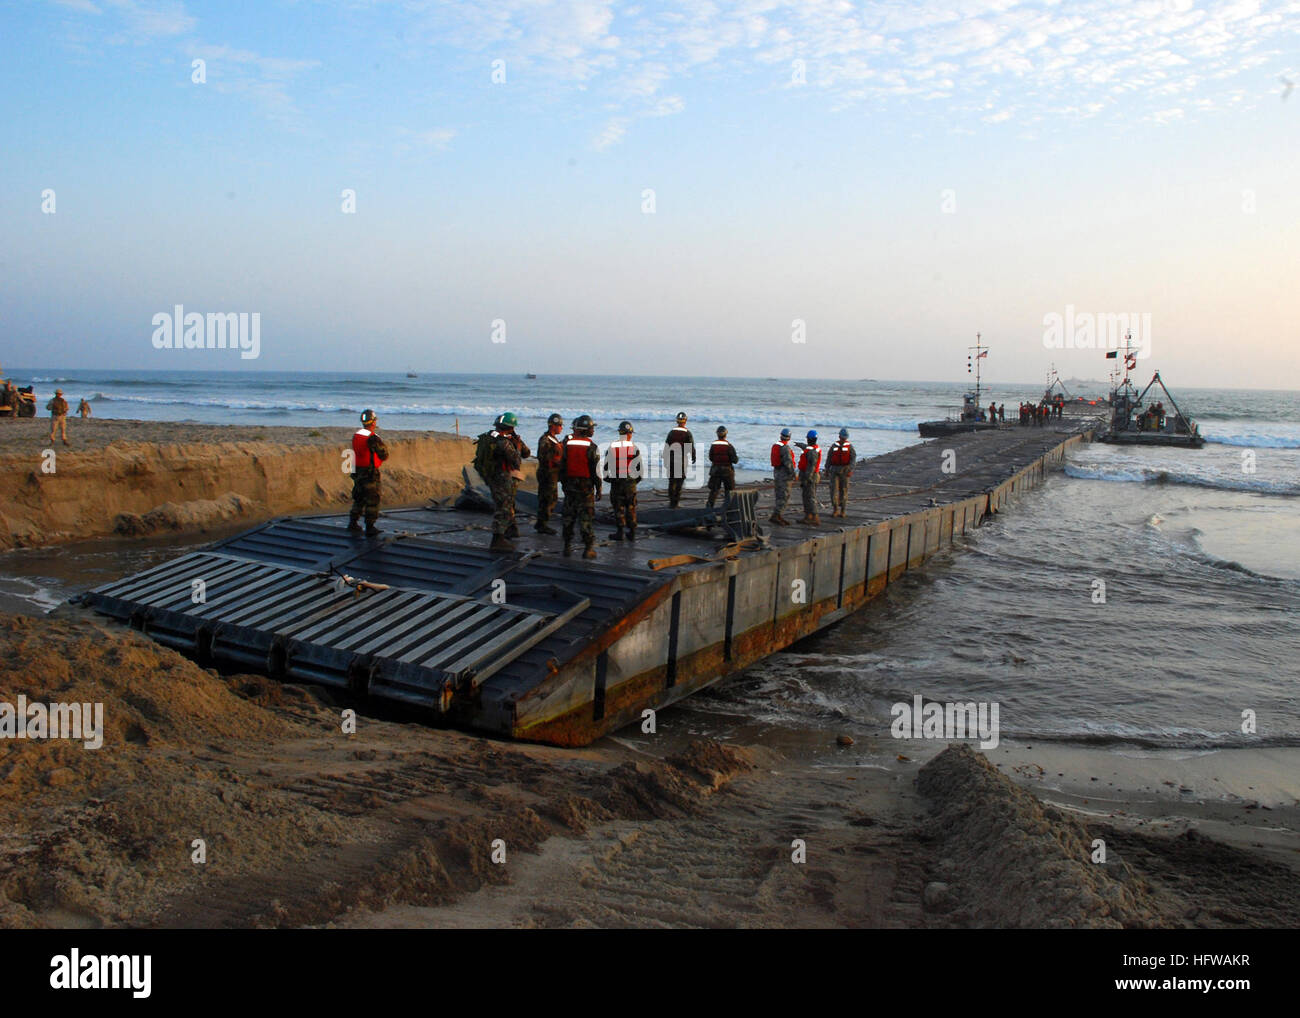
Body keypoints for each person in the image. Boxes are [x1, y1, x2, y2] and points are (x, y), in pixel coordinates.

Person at [483, 411, 530, 551]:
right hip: (502, 478)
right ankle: (497, 539)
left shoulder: (490, 437)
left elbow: (527, 453)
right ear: (510, 427)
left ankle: (510, 529)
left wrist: (516, 440)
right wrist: (518, 446)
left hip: (494, 477)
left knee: (507, 504)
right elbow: (516, 460)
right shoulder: (503, 443)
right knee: (503, 507)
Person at [559, 414, 601, 559]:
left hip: (570, 487)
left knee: (568, 517)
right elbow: (596, 471)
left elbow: (562, 466)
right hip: (585, 488)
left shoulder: (567, 445)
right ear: (586, 430)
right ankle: (588, 548)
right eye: (591, 428)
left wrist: (564, 483)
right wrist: (599, 488)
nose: (593, 431)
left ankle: (566, 547)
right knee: (586, 518)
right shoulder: (592, 447)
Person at [348, 409, 389, 535]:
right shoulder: (372, 438)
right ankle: (370, 527)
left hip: (358, 471)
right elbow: (384, 454)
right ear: (373, 422)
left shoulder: (357, 435)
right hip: (369, 472)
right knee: (372, 499)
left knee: (359, 498)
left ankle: (353, 523)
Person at [602, 420, 643, 541]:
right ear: (630, 434)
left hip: (617, 483)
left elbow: (605, 469)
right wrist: (634, 482)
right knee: (631, 507)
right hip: (630, 484)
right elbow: (640, 471)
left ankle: (620, 532)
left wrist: (611, 480)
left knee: (618, 508)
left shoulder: (612, 448)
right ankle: (632, 532)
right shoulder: (634, 448)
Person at [534, 412, 564, 535]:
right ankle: (542, 524)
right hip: (547, 473)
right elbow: (543, 457)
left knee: (550, 498)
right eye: (560, 425)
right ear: (553, 426)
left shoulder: (553, 439)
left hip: (552, 474)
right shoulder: (545, 439)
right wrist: (557, 459)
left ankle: (542, 523)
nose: (561, 427)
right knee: (547, 499)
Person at [663, 412, 695, 508]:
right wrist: (693, 456)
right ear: (685, 421)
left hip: (671, 459)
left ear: (677, 421)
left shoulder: (671, 432)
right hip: (681, 459)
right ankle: (675, 503)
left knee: (672, 481)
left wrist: (665, 459)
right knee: (679, 481)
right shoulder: (687, 433)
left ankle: (671, 501)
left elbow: (666, 446)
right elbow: (690, 447)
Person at [825, 428, 855, 518]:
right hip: (834, 470)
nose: (843, 439)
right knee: (833, 490)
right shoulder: (834, 446)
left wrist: (850, 470)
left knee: (844, 490)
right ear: (839, 436)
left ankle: (843, 510)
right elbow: (829, 458)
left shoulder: (850, 447)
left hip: (845, 470)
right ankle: (835, 510)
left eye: (845, 438)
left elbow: (853, 460)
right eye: (842, 437)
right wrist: (827, 469)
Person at [705, 425, 738, 508]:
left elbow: (711, 457)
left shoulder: (713, 445)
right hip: (727, 471)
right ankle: (728, 507)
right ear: (726, 434)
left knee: (714, 490)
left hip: (715, 470)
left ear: (717, 434)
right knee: (729, 490)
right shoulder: (729, 446)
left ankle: (709, 506)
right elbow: (735, 460)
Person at [769, 428, 797, 525]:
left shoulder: (776, 446)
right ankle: (776, 515)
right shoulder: (785, 448)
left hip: (777, 472)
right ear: (789, 437)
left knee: (779, 494)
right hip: (784, 475)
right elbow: (788, 463)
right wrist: (793, 474)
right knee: (784, 495)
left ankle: (778, 515)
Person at [798, 429, 822, 526]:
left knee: (811, 497)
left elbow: (811, 467)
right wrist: (801, 445)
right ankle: (808, 516)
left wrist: (807, 479)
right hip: (810, 476)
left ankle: (815, 517)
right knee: (806, 496)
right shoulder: (813, 449)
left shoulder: (812, 452)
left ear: (809, 439)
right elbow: (807, 448)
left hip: (810, 477)